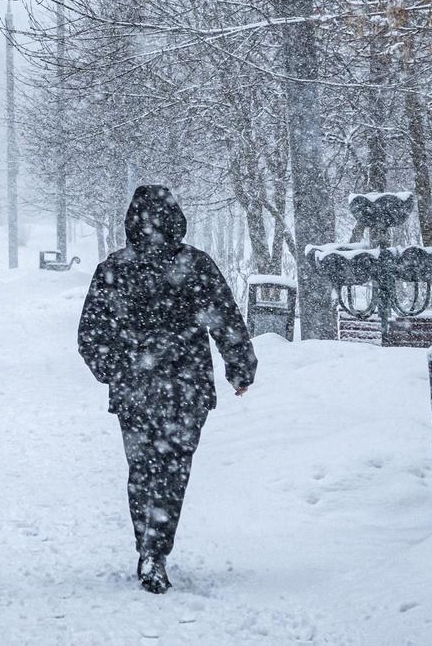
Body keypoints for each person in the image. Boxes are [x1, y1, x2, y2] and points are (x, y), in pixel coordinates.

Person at [77, 185, 257, 594]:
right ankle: (157, 548)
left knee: (142, 469)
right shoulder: (196, 265)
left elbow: (90, 334)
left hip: (136, 391)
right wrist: (240, 368)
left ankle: (148, 547)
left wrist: (116, 369)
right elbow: (225, 319)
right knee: (174, 471)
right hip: (186, 388)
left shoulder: (115, 269)